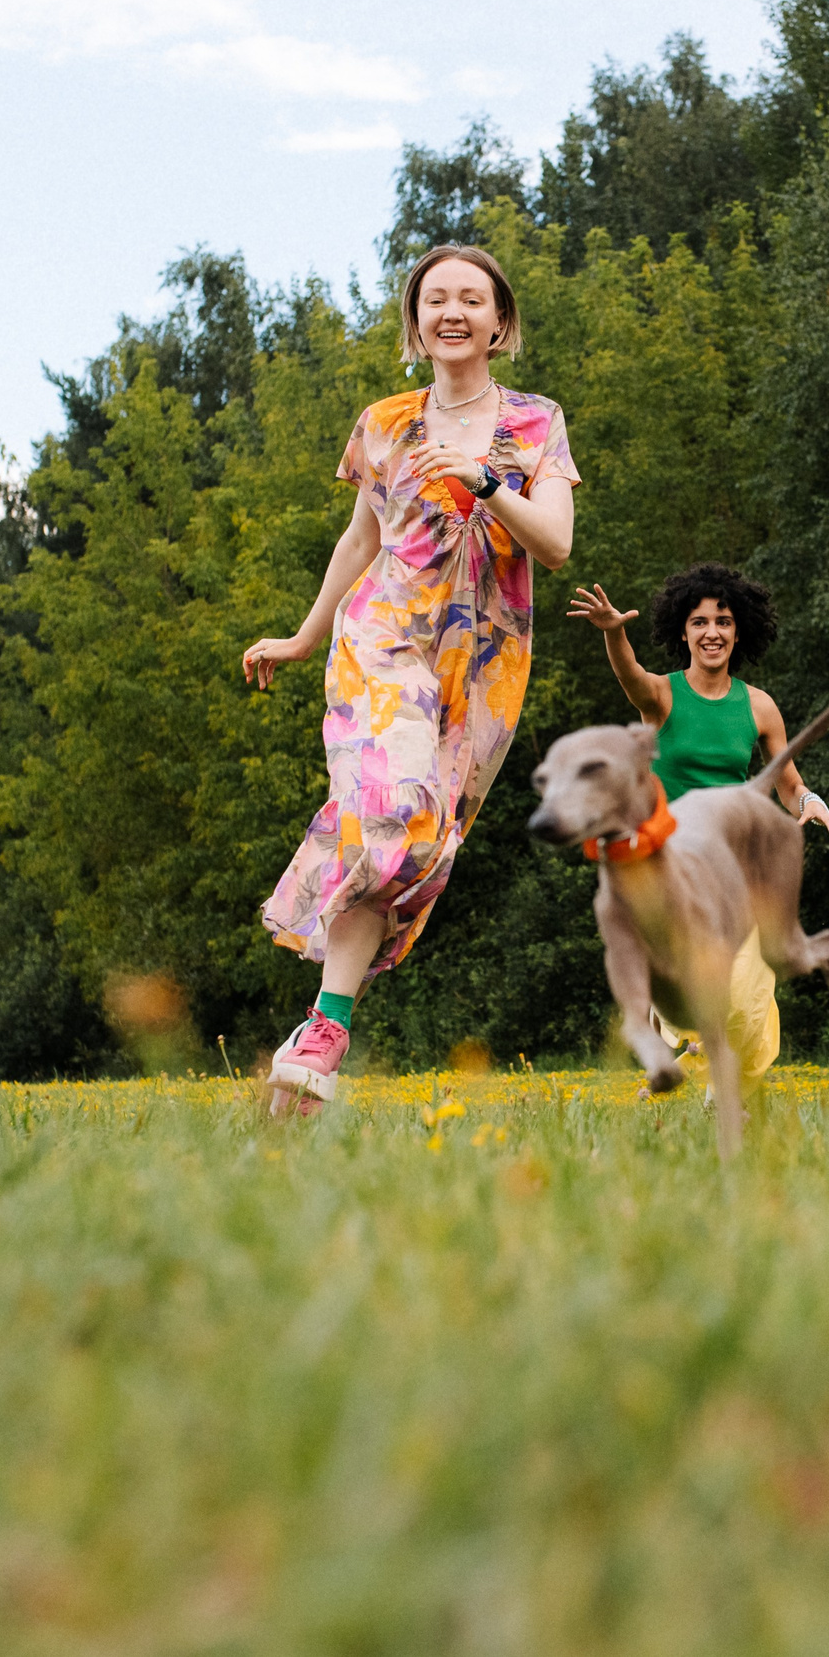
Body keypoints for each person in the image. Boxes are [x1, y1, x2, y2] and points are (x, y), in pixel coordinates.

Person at [242, 244, 580, 1114]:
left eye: (473, 298)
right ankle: (327, 1029)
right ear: (416, 322)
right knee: (397, 816)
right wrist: (302, 634)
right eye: (437, 299)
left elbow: (555, 543)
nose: (454, 311)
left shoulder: (538, 424)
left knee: (420, 847)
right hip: (382, 640)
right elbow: (361, 541)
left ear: (500, 324)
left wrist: (488, 483)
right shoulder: (386, 422)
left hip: (485, 662)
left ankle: (321, 1034)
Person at [567, 563, 829, 1085]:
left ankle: (726, 1079)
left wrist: (810, 801)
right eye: (699, 621)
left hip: (738, 862)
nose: (712, 632)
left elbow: (786, 781)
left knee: (750, 984)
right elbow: (631, 676)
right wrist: (613, 633)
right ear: (683, 631)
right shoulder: (663, 696)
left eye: (723, 621)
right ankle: (683, 1042)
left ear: (739, 632)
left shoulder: (759, 706)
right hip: (674, 860)